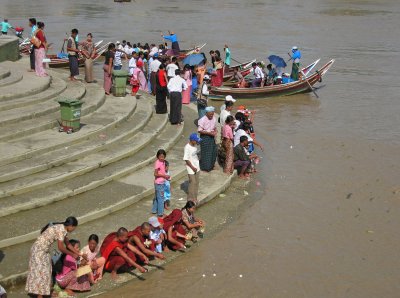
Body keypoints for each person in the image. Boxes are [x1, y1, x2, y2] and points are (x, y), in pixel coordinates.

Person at [25, 217, 83, 297]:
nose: (73, 230)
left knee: (45, 272)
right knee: (42, 274)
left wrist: (78, 253)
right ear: (71, 226)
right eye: (74, 228)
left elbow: (68, 244)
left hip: (41, 250)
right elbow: (61, 247)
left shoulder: (62, 227)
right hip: (39, 252)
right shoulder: (61, 230)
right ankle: (40, 295)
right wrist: (73, 254)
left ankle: (41, 294)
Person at [198, 106, 217, 172]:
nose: (211, 115)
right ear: (206, 113)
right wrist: (209, 133)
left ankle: (211, 166)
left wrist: (215, 132)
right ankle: (205, 168)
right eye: (210, 114)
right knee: (206, 153)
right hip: (205, 137)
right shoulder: (202, 120)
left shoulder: (214, 118)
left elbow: (215, 128)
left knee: (213, 151)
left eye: (212, 114)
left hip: (212, 137)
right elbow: (200, 130)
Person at [184, 133, 201, 203]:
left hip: (197, 166)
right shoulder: (187, 147)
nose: (197, 142)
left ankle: (195, 197)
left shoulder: (195, 146)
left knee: (197, 182)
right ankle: (190, 198)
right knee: (193, 182)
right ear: (192, 140)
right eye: (196, 141)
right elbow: (186, 159)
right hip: (190, 167)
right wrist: (192, 167)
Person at [152, 149, 169, 217]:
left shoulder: (163, 162)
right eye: (160, 156)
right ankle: (160, 213)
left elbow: (162, 171)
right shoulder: (158, 163)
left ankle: (154, 210)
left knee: (157, 197)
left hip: (159, 182)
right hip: (159, 183)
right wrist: (164, 176)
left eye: (163, 156)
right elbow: (155, 174)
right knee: (161, 198)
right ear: (158, 156)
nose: (162, 158)